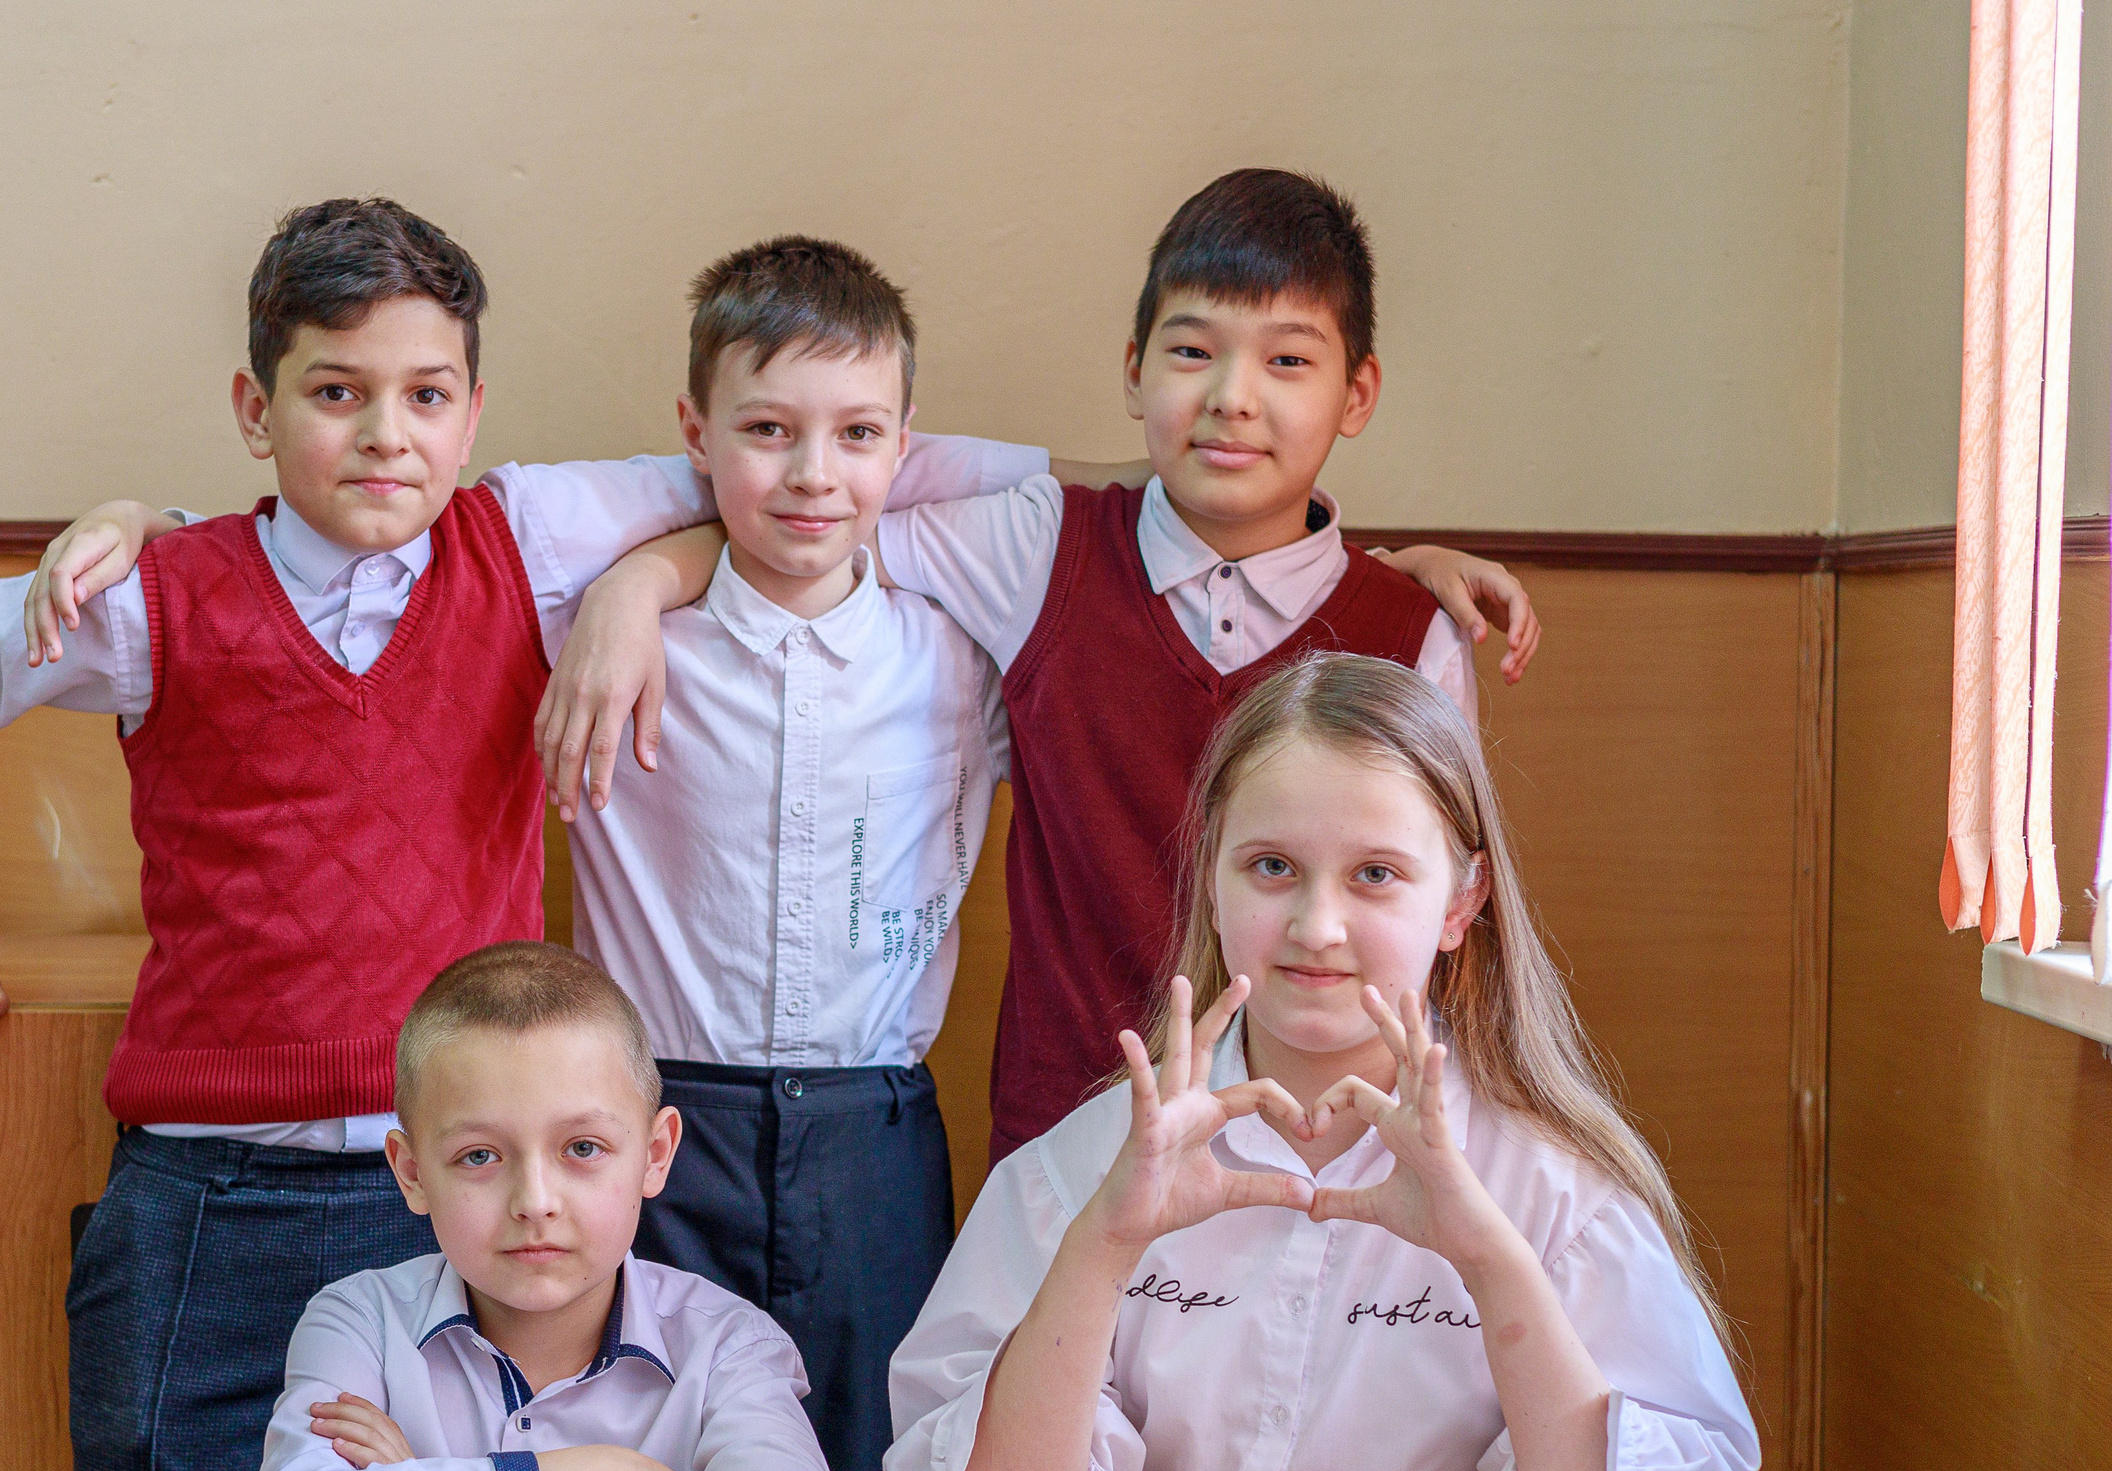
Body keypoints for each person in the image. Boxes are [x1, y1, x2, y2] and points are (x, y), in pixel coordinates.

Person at [0, 196, 805, 1471]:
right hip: (205, 1199)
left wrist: (636, 587)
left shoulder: (525, 543)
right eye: (335, 393)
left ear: (474, 414)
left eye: (425, 396)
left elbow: (762, 491)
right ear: (257, 406)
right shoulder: (152, 594)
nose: (383, 435)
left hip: (454, 1207)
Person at [537, 169, 1544, 1166]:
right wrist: (643, 581)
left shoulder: (1415, 632)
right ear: (1134, 367)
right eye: (1192, 352)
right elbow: (820, 514)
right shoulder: (1038, 548)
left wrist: (1379, 574)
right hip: (1065, 1135)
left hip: (1327, 1136)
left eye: (1287, 362)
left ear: (1354, 393)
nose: (1232, 399)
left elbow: (1435, 922)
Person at [883, 654, 1759, 1471]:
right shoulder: (1073, 1173)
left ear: (1462, 902)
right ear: (1211, 875)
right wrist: (1103, 1246)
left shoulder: (1561, 1194)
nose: (1316, 925)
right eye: (1271, 868)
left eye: (1375, 875)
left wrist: (1489, 1256)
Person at [540, 235, 1009, 1471]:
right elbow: (384, 542)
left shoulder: (959, 654)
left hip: (878, 1137)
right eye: (766, 431)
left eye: (859, 434)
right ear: (694, 433)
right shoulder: (605, 628)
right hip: (655, 1133)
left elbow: (1138, 515)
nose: (813, 476)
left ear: (906, 447)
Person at [252, 941, 839, 1471]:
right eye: (479, 1156)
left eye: (582, 1149)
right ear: (411, 1173)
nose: (535, 1200)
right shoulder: (357, 1322)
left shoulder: (728, 1344)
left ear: (654, 1155)